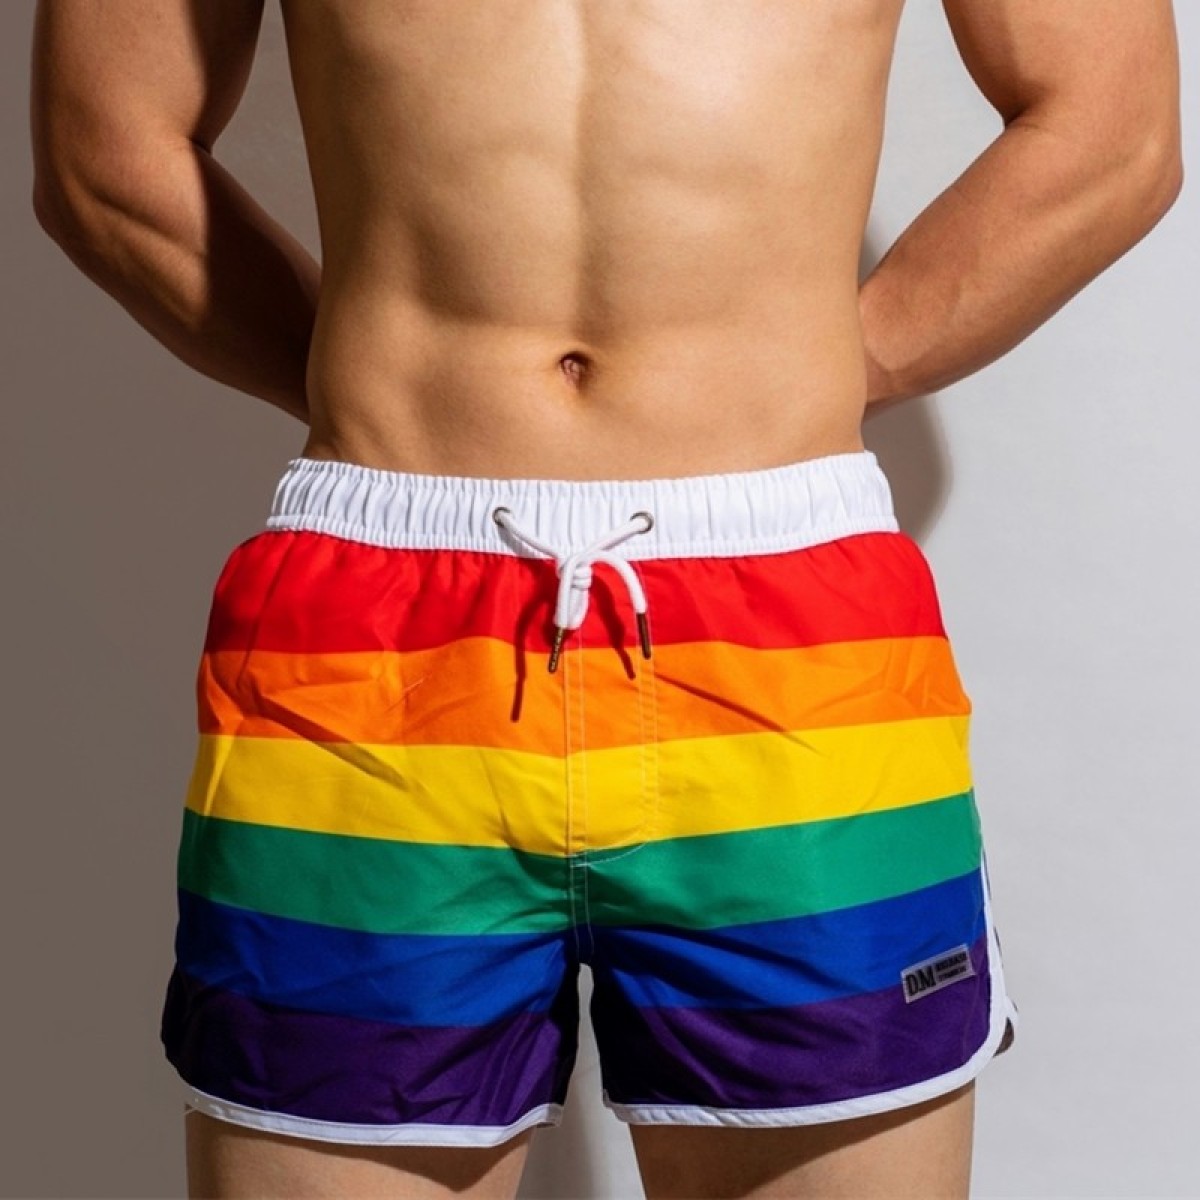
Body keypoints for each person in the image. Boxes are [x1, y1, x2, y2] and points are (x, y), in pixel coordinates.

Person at [30, 1, 1181, 1196]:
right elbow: (106, 151)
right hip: (379, 630)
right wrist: (378, 399)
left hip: (788, 619)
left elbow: (1114, 131)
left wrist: (812, 381)